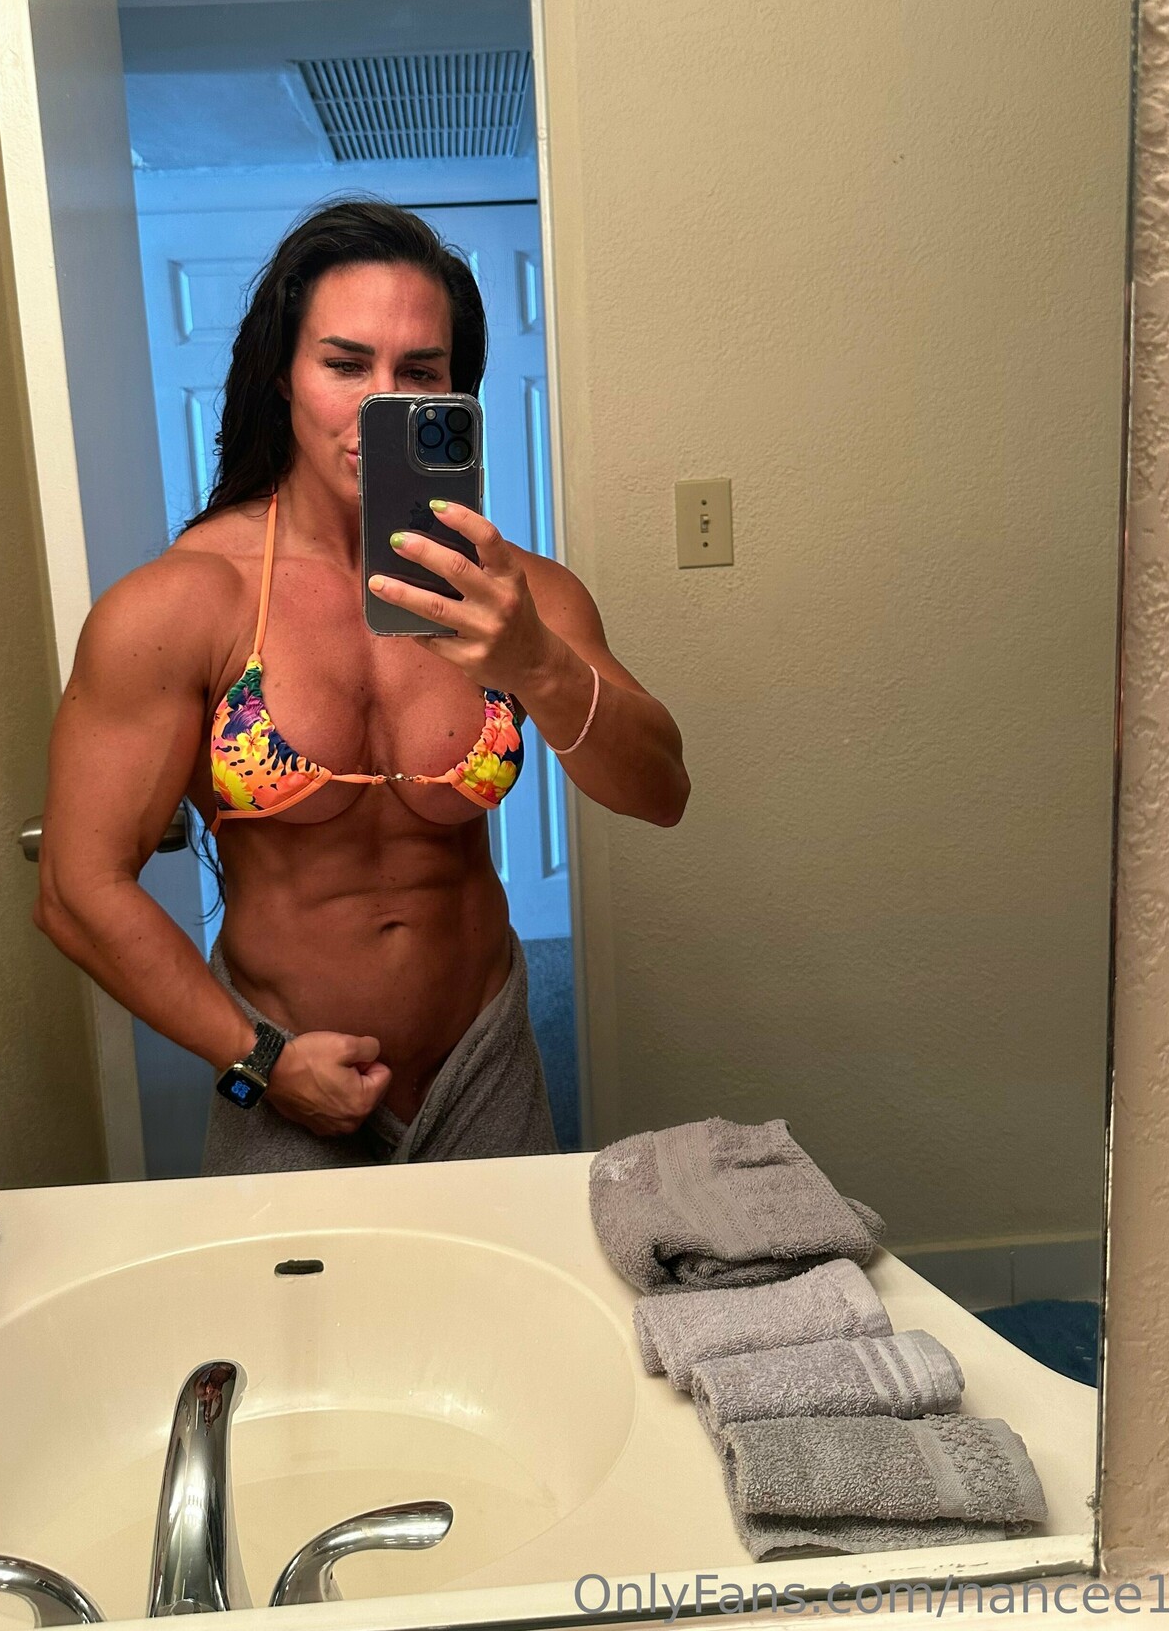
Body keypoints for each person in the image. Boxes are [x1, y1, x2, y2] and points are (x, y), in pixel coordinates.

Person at [34, 201, 689, 1173]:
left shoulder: (519, 597)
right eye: (345, 364)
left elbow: (662, 791)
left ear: (455, 391)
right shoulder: (186, 604)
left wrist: (536, 662)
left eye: (418, 372)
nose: (382, 402)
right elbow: (75, 888)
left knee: (509, 1280)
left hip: (483, 1058)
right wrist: (258, 1062)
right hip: (284, 1069)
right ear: (283, 377)